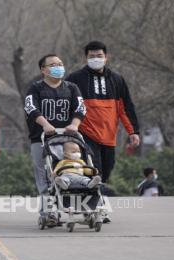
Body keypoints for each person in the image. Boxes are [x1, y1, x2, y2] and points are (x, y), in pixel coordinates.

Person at [66, 41, 140, 223]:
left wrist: (133, 132)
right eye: (91, 56)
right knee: (93, 171)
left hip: (109, 136)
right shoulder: (75, 78)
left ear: (106, 57)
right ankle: (96, 209)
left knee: (106, 172)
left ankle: (91, 206)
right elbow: (68, 105)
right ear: (86, 58)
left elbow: (125, 108)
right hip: (85, 134)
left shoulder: (117, 79)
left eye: (99, 56)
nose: (95, 59)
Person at [24, 54, 86, 215]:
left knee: (71, 169)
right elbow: (31, 108)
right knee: (44, 174)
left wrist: (74, 124)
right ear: (43, 70)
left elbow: (80, 108)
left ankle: (78, 203)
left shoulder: (71, 88)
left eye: (60, 63)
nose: (58, 67)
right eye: (52, 65)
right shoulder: (36, 88)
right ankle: (48, 210)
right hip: (42, 139)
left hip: (68, 139)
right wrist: (45, 124)